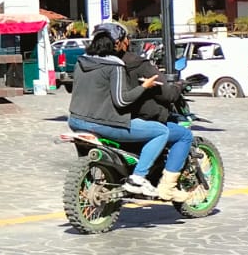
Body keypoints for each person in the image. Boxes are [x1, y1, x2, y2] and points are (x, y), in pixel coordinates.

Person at [67, 22, 178, 196]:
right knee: (161, 131)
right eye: (126, 39)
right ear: (117, 43)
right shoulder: (115, 65)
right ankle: (138, 178)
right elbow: (121, 100)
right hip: (103, 123)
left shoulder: (81, 61)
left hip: (75, 121)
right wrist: (145, 87)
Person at [118, 25, 193, 194]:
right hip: (140, 121)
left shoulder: (99, 65)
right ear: (124, 41)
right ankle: (168, 188)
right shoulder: (140, 65)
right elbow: (167, 95)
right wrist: (178, 86)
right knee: (184, 135)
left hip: (106, 119)